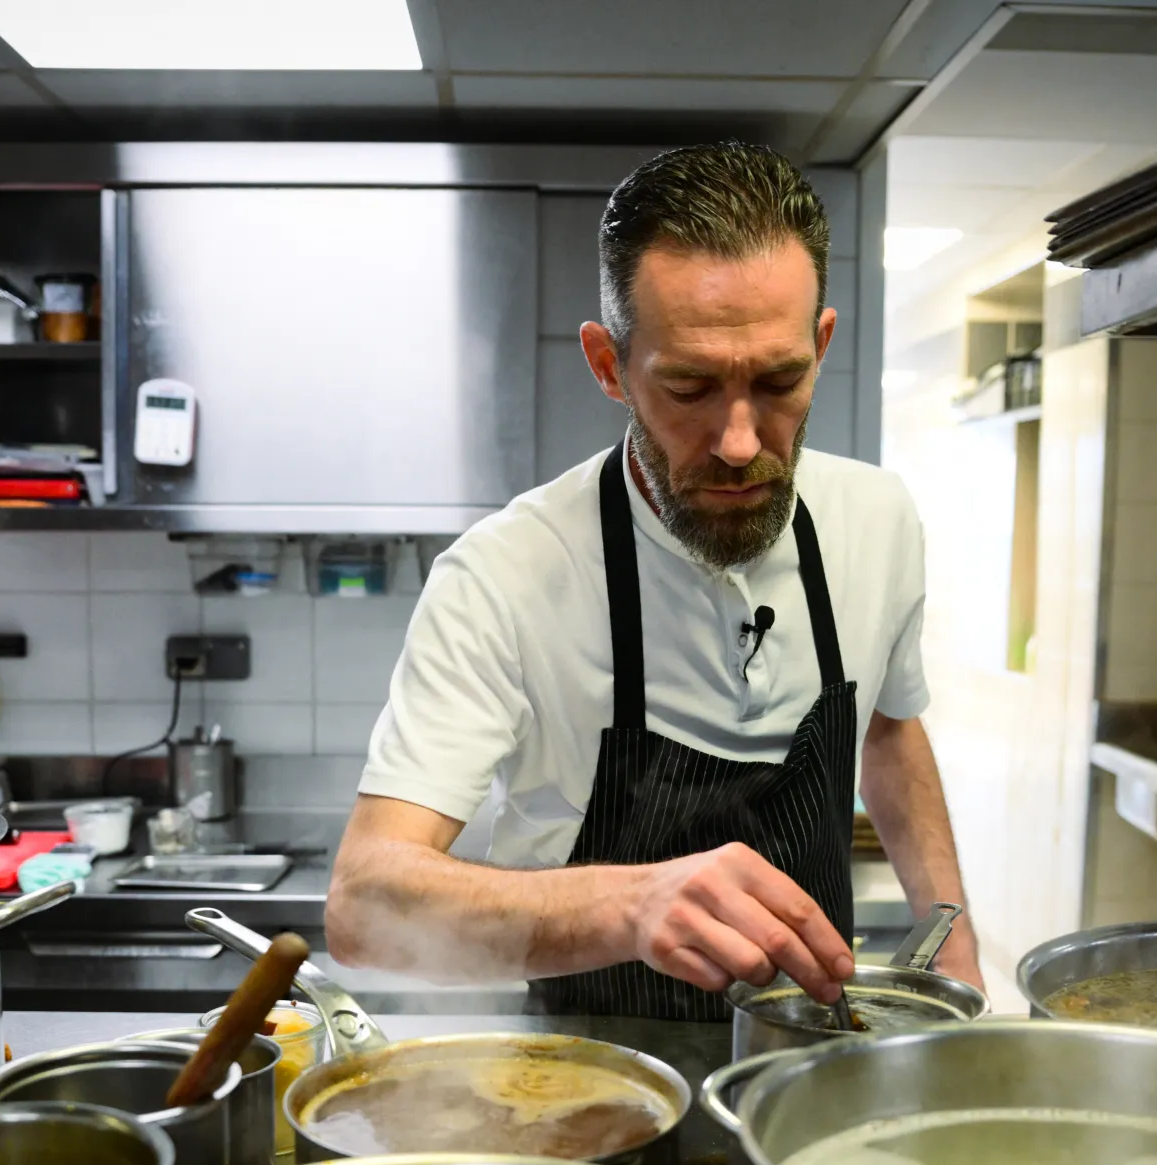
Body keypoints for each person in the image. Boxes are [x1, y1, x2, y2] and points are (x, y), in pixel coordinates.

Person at [324, 140, 981, 1018]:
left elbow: (891, 734)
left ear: (821, 347)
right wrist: (629, 907)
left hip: (815, 1067)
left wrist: (957, 935)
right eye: (689, 386)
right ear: (610, 366)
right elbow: (365, 906)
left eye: (780, 380)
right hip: (583, 1089)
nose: (741, 441)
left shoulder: (879, 521)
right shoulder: (505, 576)